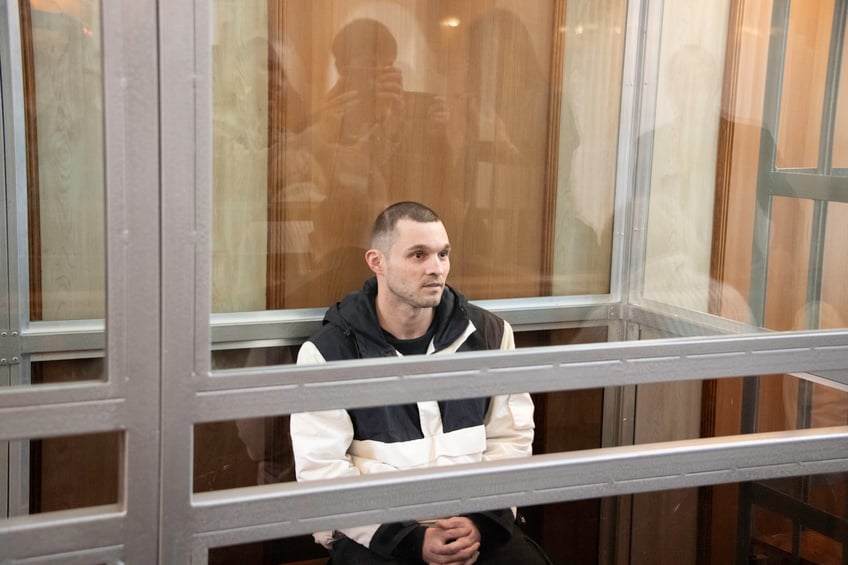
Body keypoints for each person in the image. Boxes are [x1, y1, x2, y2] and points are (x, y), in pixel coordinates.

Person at [290, 202, 550, 564]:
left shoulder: (490, 335)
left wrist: (480, 523)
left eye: (443, 254)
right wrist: (412, 541)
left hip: (474, 525)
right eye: (418, 255)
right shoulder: (328, 353)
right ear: (376, 262)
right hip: (379, 538)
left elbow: (511, 438)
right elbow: (322, 470)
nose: (436, 268)